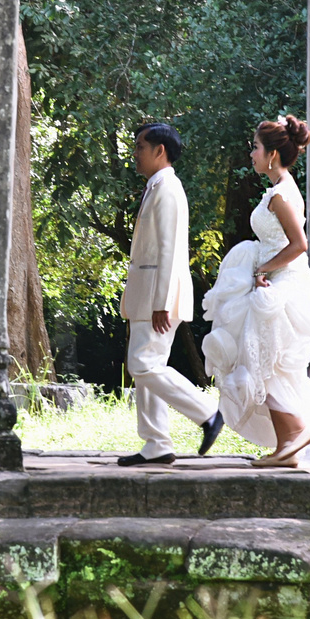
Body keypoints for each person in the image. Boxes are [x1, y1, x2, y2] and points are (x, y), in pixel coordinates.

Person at [201, 116, 310, 468]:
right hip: (275, 282)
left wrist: (263, 269)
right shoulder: (279, 189)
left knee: (265, 361)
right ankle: (288, 444)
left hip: (284, 286)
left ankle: (295, 434)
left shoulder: (279, 196)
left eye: (256, 148)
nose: (251, 154)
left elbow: (299, 245)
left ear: (273, 154)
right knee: (267, 362)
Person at [117, 122, 225, 466]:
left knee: (143, 364)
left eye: (140, 147)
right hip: (146, 293)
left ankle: (209, 413)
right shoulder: (156, 187)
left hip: (157, 295)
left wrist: (162, 302)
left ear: (159, 151)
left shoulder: (168, 188)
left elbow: (170, 251)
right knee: (148, 366)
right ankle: (156, 443)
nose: (135, 154)